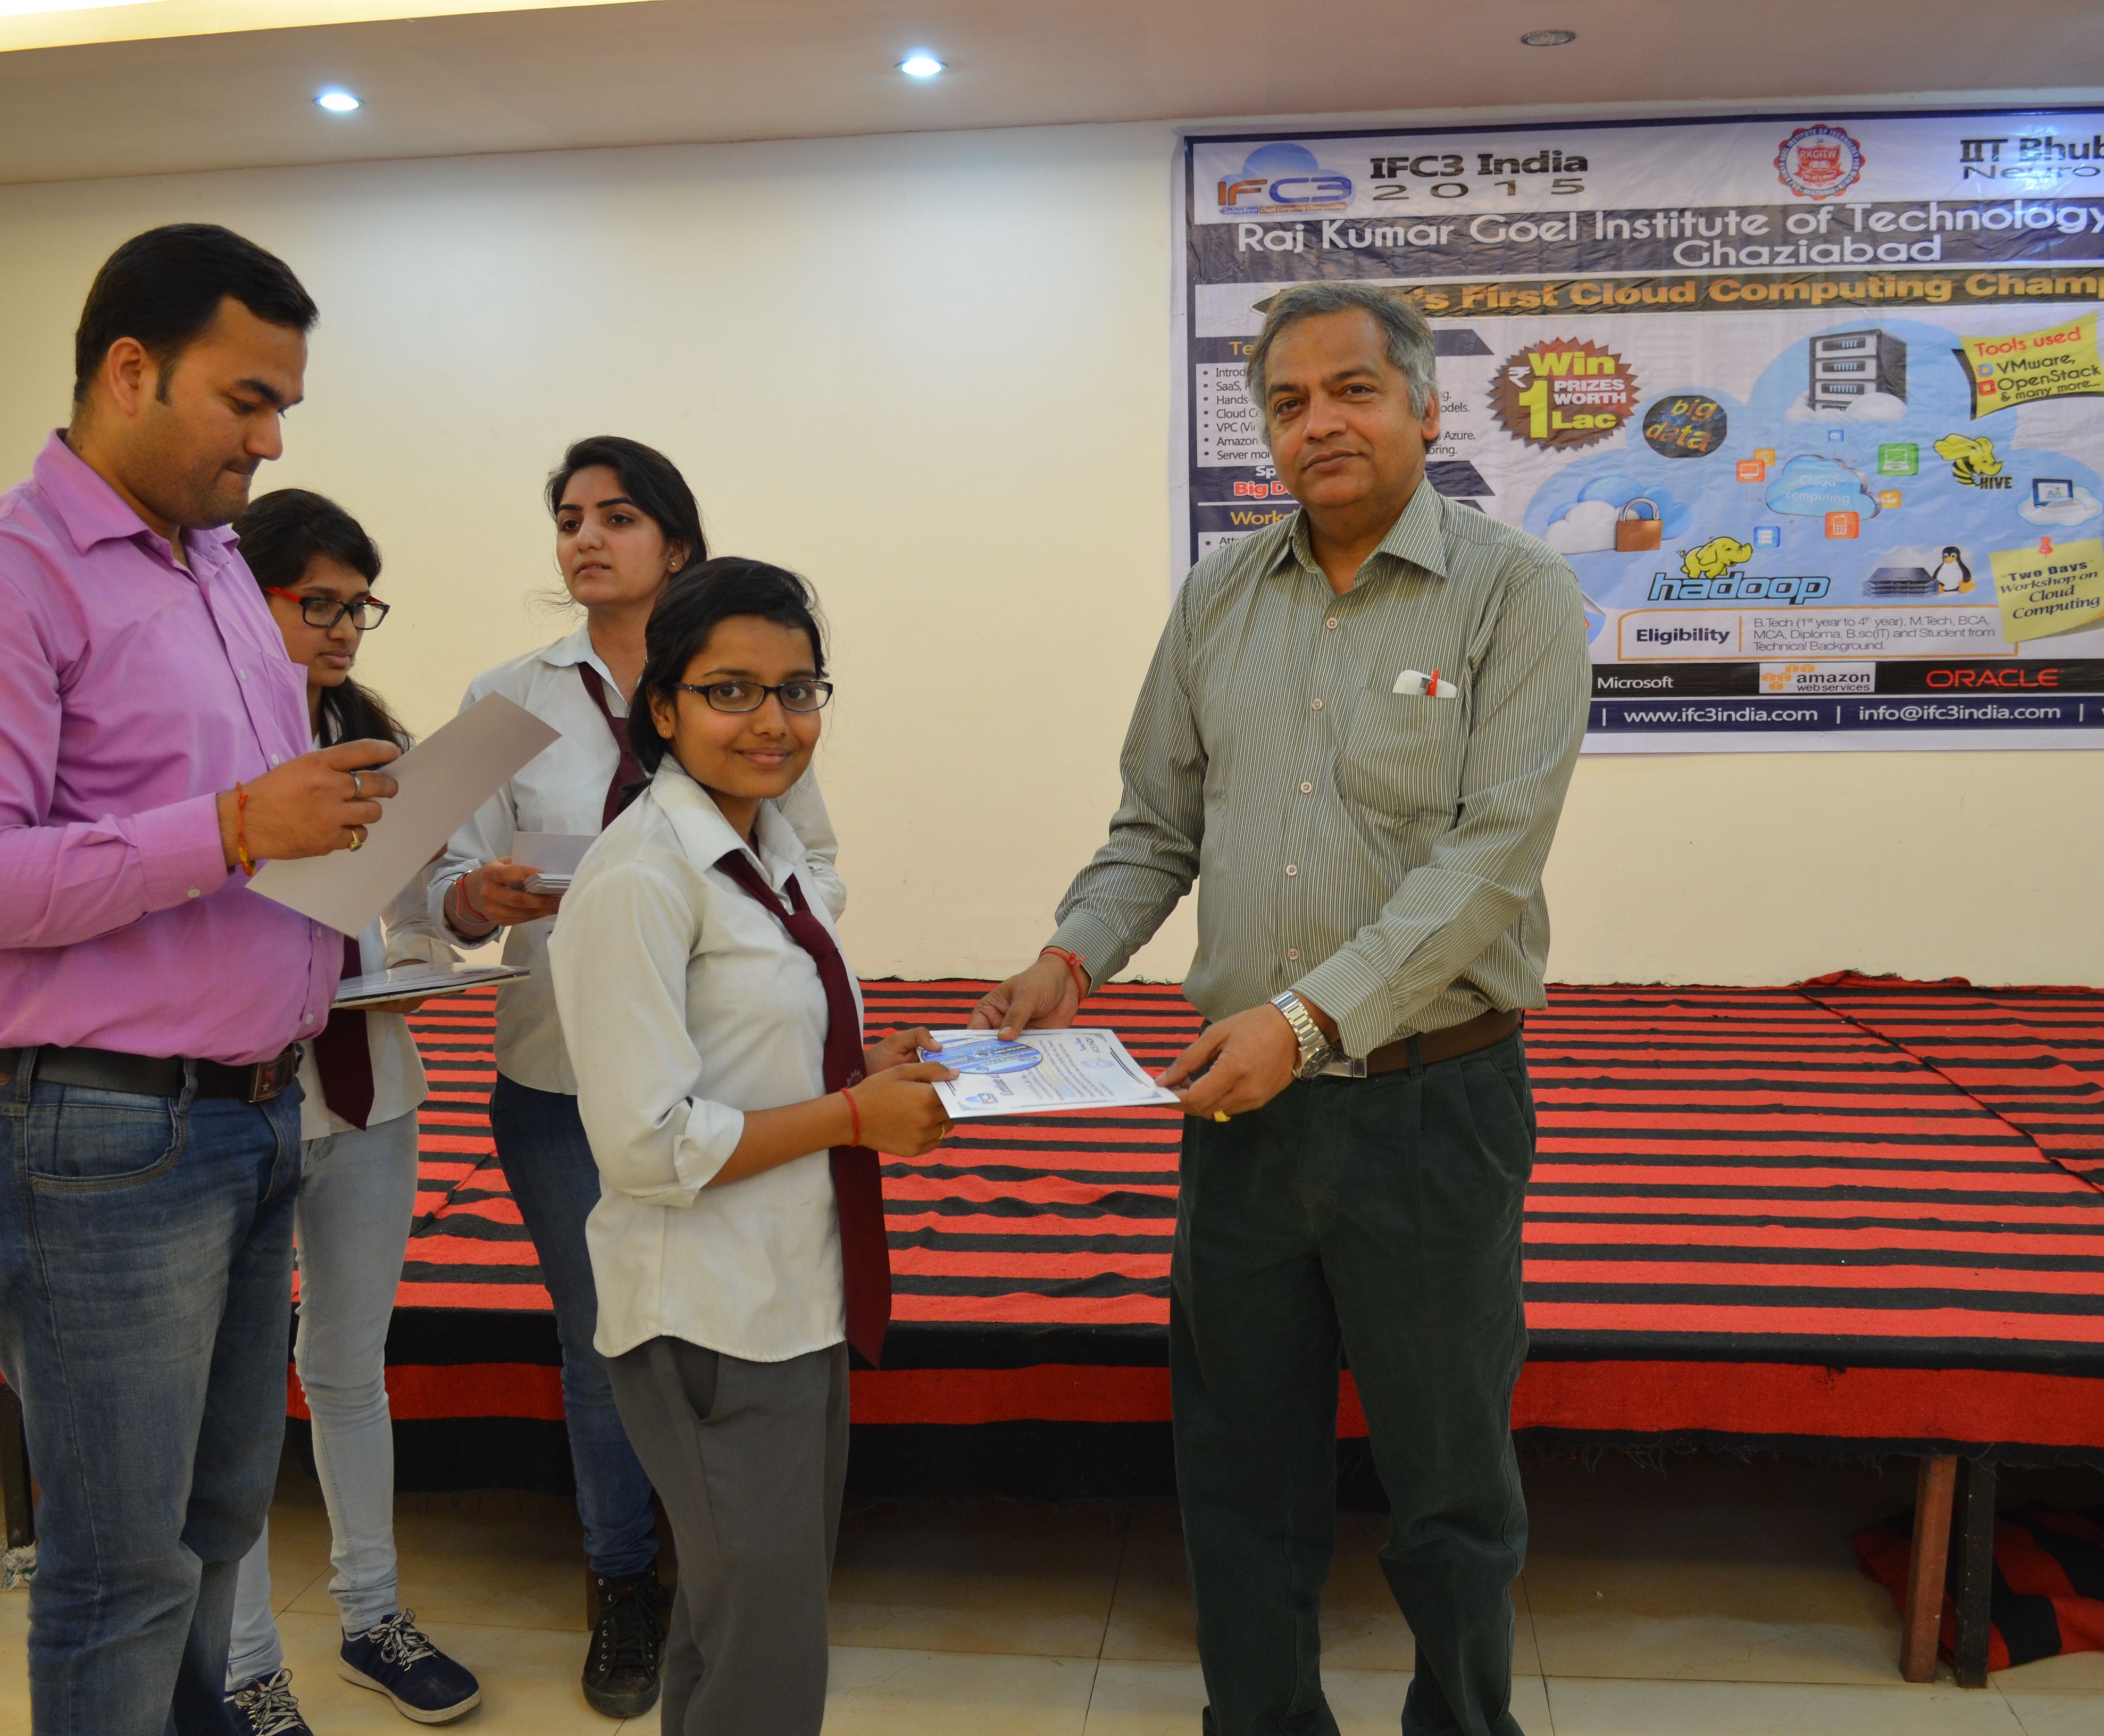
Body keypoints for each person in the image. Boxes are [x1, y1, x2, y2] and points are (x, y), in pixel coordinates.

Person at [974, 281, 1590, 1736]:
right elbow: (1154, 828)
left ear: (1425, 409)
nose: (1320, 423)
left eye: (1352, 391)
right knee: (1240, 1470)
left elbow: (1488, 865)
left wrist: (1306, 1023)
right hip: (1240, 1118)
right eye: (1288, 402)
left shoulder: (1516, 593)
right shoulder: (1218, 600)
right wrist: (1069, 960)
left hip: (1431, 1111)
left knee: (1451, 1484)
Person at [0, 224, 402, 1735]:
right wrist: (235, 826)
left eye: (283, 404)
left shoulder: (221, 569)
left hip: (251, 1113)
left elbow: (241, 832)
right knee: (119, 1573)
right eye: (248, 399)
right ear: (128, 371)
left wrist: (339, 827)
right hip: (98, 1138)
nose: (272, 440)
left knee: (216, 1525)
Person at [425, 437, 846, 1717]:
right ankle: (622, 1583)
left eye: (616, 516)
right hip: (564, 1068)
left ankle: (711, 1574)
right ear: (668, 710)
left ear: (678, 542)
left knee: (696, 1384)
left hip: (738, 1077)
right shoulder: (506, 698)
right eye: (569, 518)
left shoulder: (747, 692)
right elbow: (412, 880)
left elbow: (812, 864)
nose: (585, 539)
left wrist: (769, 969)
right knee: (608, 1338)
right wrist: (474, 898)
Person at [551, 557, 954, 1735]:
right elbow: (642, 1142)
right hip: (710, 1315)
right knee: (766, 1652)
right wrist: (851, 1119)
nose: (773, 721)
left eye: (797, 689)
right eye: (730, 691)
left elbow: (751, 1051)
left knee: (737, 1624)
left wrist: (858, 1071)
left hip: (794, 1288)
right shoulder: (640, 877)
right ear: (663, 705)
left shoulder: (766, 850)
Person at [215, 490, 482, 1732]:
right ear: (243, 592)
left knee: (349, 1367)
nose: (340, 627)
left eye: (357, 606)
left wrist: (427, 951)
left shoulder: (370, 736)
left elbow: (416, 907)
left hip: (368, 1087)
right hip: (238, 1098)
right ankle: (244, 1666)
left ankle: (372, 1617)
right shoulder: (205, 734)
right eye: (314, 601)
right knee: (232, 1397)